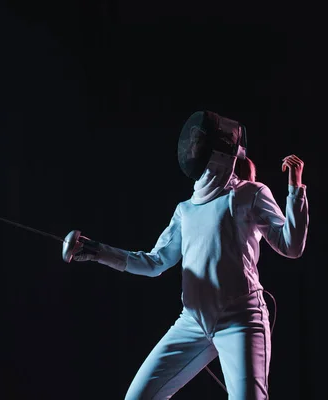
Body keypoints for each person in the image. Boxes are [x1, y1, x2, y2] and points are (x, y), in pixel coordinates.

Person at [71, 111, 309, 400]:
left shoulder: (249, 193)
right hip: (193, 323)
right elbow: (154, 262)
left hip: (241, 320)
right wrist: (96, 251)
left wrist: (295, 189)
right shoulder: (186, 209)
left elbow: (291, 245)